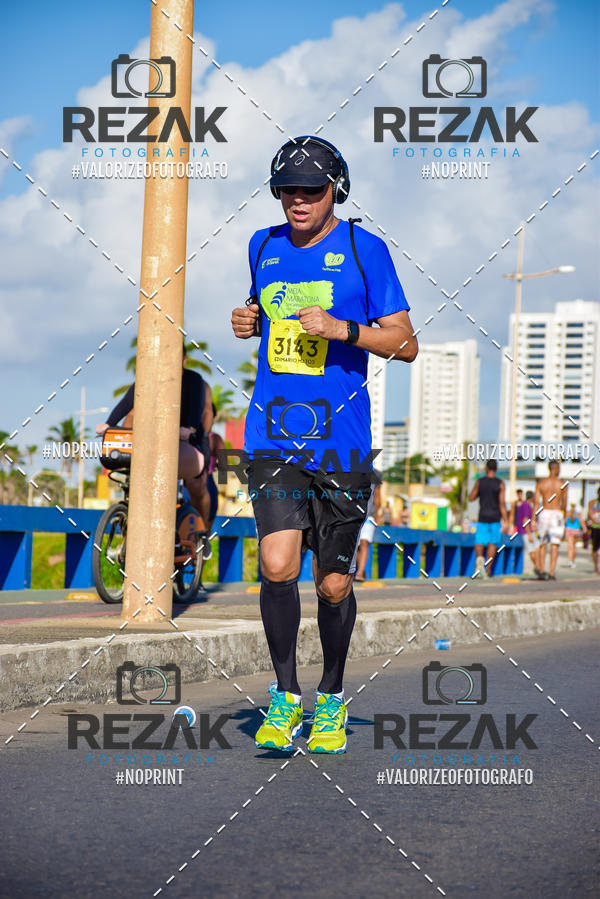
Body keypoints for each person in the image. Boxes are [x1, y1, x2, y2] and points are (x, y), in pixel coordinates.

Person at [231, 135, 417, 754]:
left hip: (341, 442)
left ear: (336, 189)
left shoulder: (366, 251)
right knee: (277, 564)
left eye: (311, 189)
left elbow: (405, 342)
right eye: (287, 190)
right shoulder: (262, 245)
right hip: (272, 434)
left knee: (332, 583)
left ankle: (331, 697)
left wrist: (343, 330)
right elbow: (262, 312)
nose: (298, 200)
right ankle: (286, 698)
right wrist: (247, 322)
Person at [96, 346, 213, 521]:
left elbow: (197, 413)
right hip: (155, 441)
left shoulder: (195, 381)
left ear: (184, 360)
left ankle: (204, 531)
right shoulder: (148, 379)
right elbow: (127, 402)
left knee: (197, 485)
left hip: (187, 441)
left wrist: (188, 429)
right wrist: (109, 424)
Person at [468, 459, 507, 577]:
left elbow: (471, 498)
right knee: (492, 543)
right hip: (495, 517)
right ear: (496, 469)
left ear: (486, 469)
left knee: (479, 541)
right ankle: (488, 569)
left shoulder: (480, 482)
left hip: (483, 516)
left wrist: (478, 491)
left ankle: (479, 562)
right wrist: (506, 520)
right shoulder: (500, 483)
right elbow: (502, 503)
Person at [533, 460, 567, 580]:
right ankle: (552, 572)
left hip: (545, 513)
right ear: (556, 469)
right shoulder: (562, 484)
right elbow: (564, 504)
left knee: (542, 543)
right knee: (555, 544)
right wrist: (564, 517)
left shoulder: (541, 483)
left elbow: (536, 503)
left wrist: (533, 519)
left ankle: (542, 571)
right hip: (557, 513)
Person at [354, 471, 383, 582]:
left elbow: (377, 496)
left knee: (364, 542)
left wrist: (377, 516)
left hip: (369, 516)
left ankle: (360, 573)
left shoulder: (376, 474)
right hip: (354, 514)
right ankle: (361, 567)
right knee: (355, 546)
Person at [524, 490, 541, 577]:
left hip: (528, 531)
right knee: (532, 551)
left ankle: (538, 567)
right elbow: (525, 521)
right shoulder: (527, 506)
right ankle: (538, 567)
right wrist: (529, 534)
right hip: (526, 532)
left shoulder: (526, 505)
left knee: (535, 549)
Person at [564, 504, 585, 568]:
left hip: (569, 529)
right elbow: (581, 521)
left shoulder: (568, 513)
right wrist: (584, 528)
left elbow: (564, 521)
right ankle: (573, 561)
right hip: (576, 530)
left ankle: (570, 560)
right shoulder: (578, 513)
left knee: (570, 547)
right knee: (574, 547)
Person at [586, 487, 600, 574]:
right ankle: (595, 567)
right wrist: (592, 517)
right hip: (595, 527)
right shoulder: (592, 502)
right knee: (595, 548)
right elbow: (589, 512)